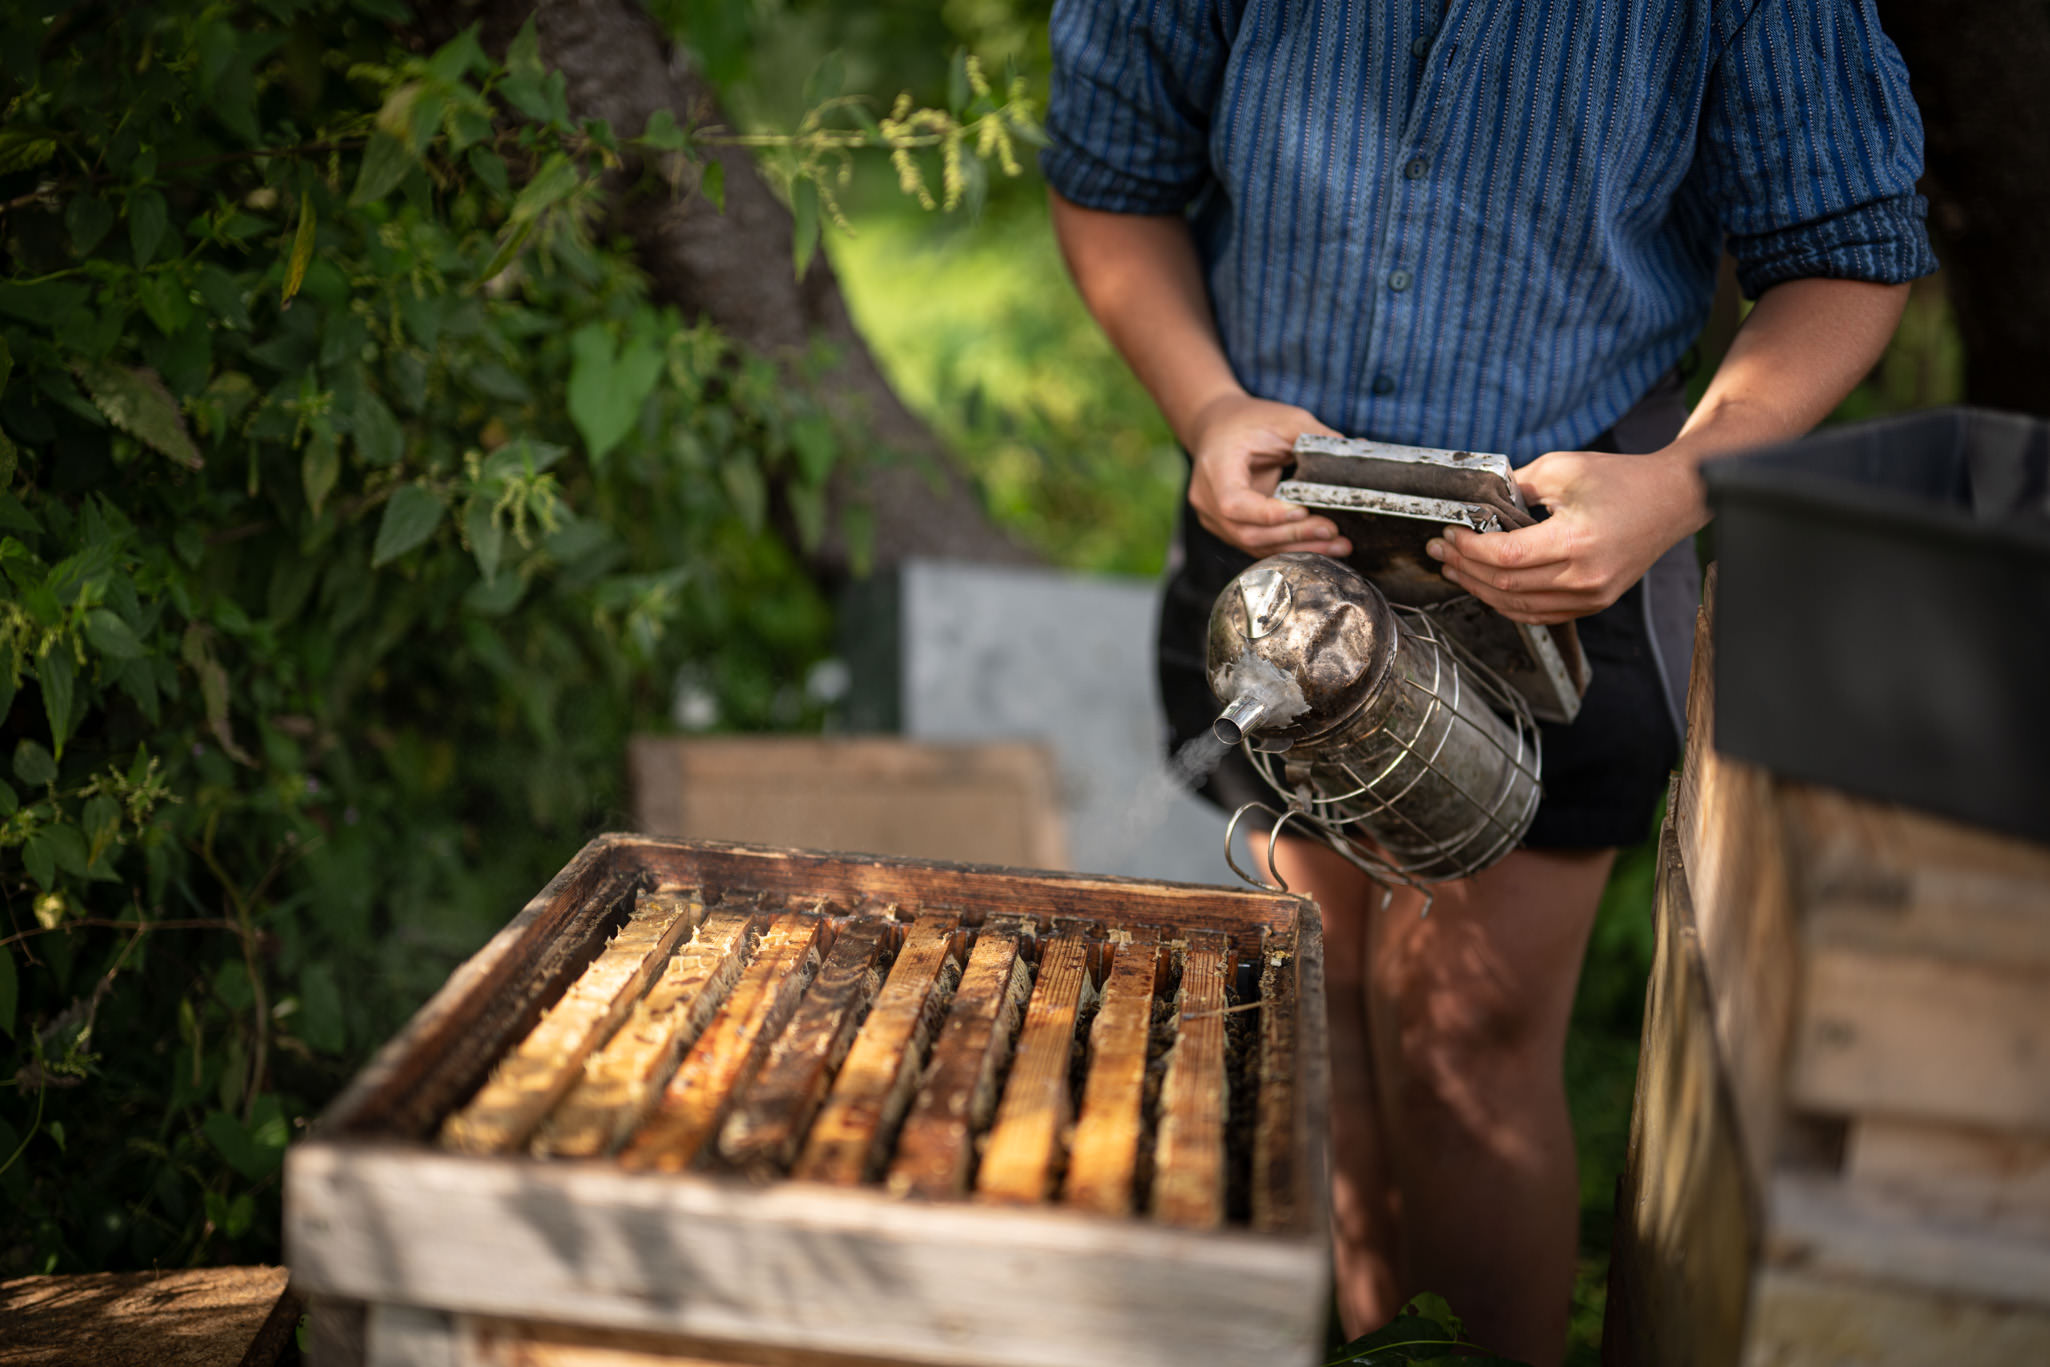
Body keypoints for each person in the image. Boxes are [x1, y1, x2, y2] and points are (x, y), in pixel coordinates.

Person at [1039, 4, 1935, 1363]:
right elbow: (1111, 183)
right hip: (1279, 546)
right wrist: (1208, 407)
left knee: (1461, 1042)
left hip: (1557, 561)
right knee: (1311, 1014)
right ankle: (1375, 1338)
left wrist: (1672, 489)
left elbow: (1846, 259)